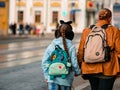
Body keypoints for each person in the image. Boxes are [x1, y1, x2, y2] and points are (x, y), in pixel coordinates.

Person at [77, 8, 120, 90]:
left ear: (98, 17)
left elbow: (81, 51)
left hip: (90, 67)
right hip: (108, 69)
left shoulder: (87, 31)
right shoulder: (114, 31)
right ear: (110, 18)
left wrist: (80, 65)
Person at [41, 20, 81, 90]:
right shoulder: (71, 46)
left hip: (52, 79)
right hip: (66, 80)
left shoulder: (52, 45)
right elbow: (74, 63)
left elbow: (44, 62)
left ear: (57, 33)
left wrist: (47, 76)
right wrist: (78, 72)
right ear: (71, 34)